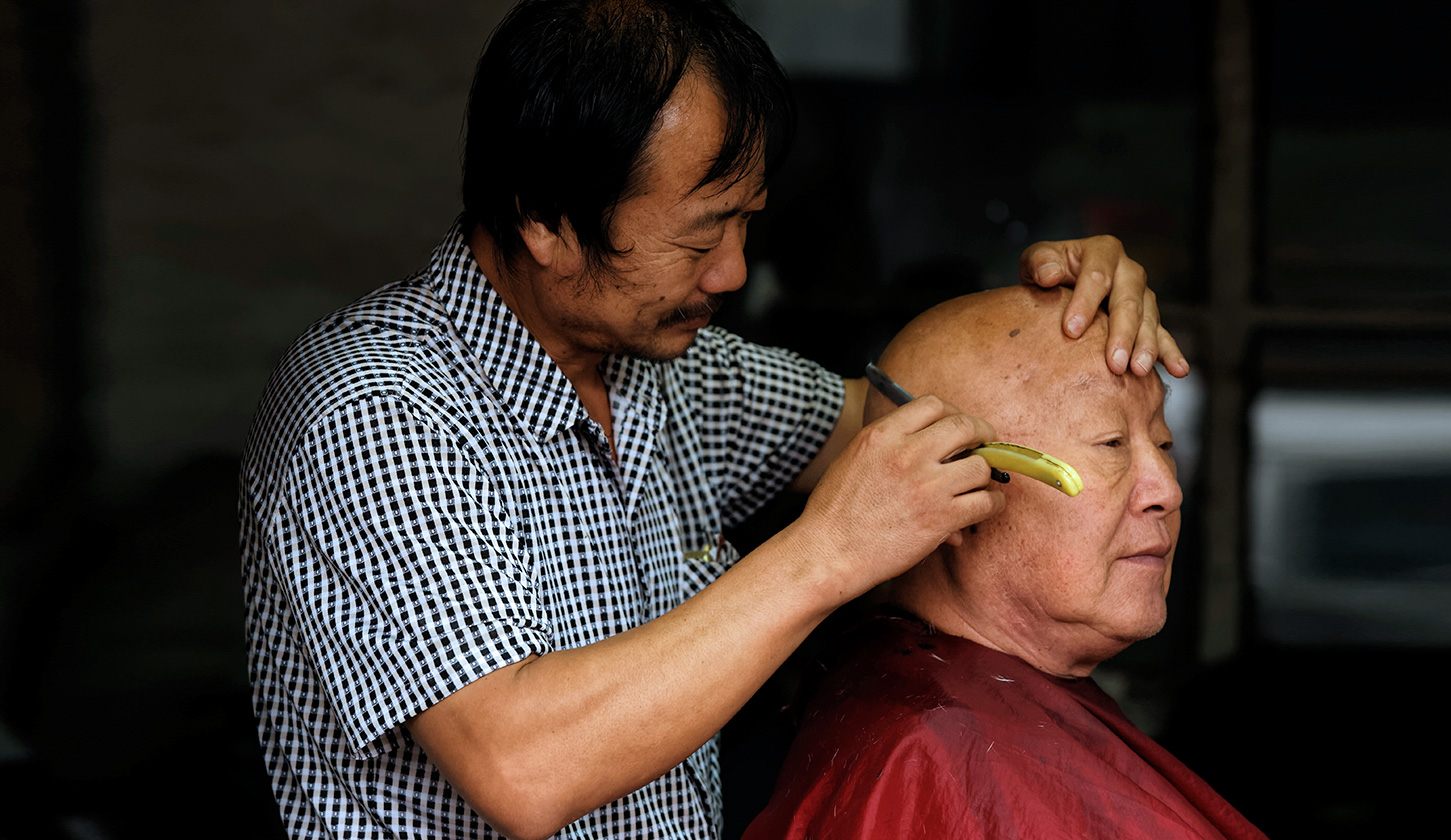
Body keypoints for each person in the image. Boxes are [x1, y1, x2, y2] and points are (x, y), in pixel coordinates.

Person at [236, 1, 1185, 839]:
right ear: (543, 220)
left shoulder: (674, 373)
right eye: (699, 235)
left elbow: (913, 416)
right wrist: (827, 553)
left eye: (746, 223)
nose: (732, 272)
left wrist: (1053, 324)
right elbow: (522, 768)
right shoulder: (376, 412)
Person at [741, 285, 1265, 840]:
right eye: (1110, 443)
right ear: (956, 488)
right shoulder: (924, 755)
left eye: (1163, 444)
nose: (1167, 491)